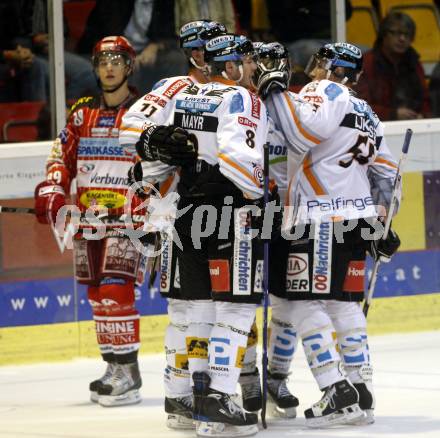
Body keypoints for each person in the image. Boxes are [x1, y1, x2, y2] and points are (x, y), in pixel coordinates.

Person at [126, 33, 267, 437]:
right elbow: (244, 169)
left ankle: (192, 396)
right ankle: (219, 397)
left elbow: (150, 160)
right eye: (246, 61)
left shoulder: (185, 96)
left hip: (187, 214)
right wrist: (259, 189)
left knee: (198, 309)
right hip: (230, 214)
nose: (252, 67)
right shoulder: (242, 99)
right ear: (231, 66)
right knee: (237, 310)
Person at [256, 42, 401, 427]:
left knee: (302, 303)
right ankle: (361, 390)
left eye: (319, 64)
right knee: (343, 305)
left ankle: (335, 387)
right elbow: (387, 175)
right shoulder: (367, 111)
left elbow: (302, 131)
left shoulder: (326, 91)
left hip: (322, 217)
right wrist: (382, 224)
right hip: (355, 222)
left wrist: (274, 89)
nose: (314, 72)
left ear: (330, 68)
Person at [120, 19, 229, 430]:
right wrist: (161, 142)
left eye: (212, 47)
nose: (205, 54)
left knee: (222, 311)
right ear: (189, 52)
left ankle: (205, 394)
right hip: (177, 213)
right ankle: (188, 397)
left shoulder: (233, 92)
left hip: (220, 213)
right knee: (191, 310)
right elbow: (130, 129)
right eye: (199, 47)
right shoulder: (173, 88)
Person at [34, 36, 144, 407]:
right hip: (89, 219)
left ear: (129, 66)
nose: (109, 67)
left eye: (117, 60)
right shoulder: (81, 112)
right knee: (98, 295)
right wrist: (53, 188)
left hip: (128, 220)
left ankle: (129, 372)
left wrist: (152, 206)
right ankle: (113, 367)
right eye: (102, 61)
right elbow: (60, 157)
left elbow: (161, 167)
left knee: (116, 290)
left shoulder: (146, 111)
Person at [356, 11, 430, 121]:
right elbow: (358, 106)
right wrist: (392, 114)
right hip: (375, 128)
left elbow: (426, 101)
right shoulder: (366, 63)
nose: (402, 39)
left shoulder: (415, 63)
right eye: (395, 33)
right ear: (384, 35)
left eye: (407, 35)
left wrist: (423, 116)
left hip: (414, 126)